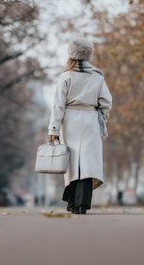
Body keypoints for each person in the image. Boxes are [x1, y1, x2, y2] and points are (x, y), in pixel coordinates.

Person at [48, 38, 112, 214]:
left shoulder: (66, 76)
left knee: (72, 162)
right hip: (90, 119)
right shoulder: (97, 76)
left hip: (69, 121)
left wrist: (53, 129)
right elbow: (107, 101)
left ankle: (71, 202)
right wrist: (101, 116)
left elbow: (58, 105)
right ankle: (82, 203)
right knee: (88, 163)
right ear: (88, 55)